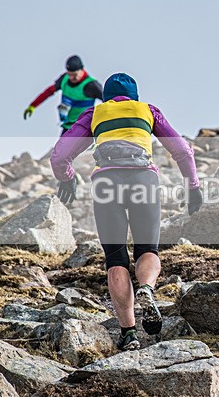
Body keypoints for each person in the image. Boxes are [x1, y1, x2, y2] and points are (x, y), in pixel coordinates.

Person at [50, 73, 203, 350]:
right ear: (135, 96)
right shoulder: (148, 111)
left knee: (116, 258)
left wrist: (67, 177)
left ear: (106, 96)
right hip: (143, 179)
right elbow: (182, 151)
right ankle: (146, 287)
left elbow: (60, 155)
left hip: (106, 183)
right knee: (148, 250)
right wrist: (192, 186)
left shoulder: (95, 113)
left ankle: (129, 333)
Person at [24, 55, 102, 134]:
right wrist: (33, 105)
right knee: (60, 146)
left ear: (82, 70)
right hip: (67, 126)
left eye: (74, 75)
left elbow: (109, 100)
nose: (71, 78)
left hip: (83, 127)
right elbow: (49, 91)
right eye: (69, 74)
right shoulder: (64, 79)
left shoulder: (91, 85)